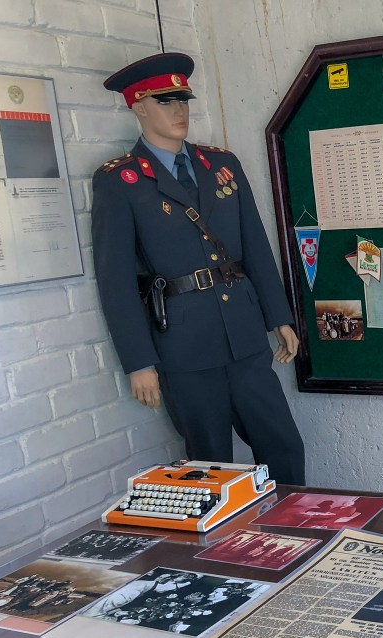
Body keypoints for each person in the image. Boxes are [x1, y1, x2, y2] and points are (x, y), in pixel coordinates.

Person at [91, 52, 305, 486]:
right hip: (184, 347)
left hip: (244, 335)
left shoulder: (222, 165)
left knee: (283, 446)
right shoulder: (120, 181)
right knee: (210, 465)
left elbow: (255, 245)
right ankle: (226, 532)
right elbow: (116, 282)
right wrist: (139, 362)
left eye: (183, 100)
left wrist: (278, 317)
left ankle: (291, 524)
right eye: (165, 101)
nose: (179, 111)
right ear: (138, 107)